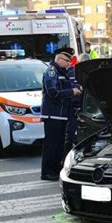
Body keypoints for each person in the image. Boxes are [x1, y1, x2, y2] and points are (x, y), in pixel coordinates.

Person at [40, 48, 82, 181]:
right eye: (67, 60)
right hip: (52, 115)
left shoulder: (62, 71)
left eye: (70, 61)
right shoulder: (52, 71)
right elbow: (53, 92)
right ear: (59, 59)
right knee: (51, 145)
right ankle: (47, 172)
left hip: (61, 115)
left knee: (58, 145)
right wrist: (71, 92)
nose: (69, 63)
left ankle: (55, 170)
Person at [64, 53, 90, 156]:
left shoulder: (90, 73)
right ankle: (66, 155)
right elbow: (69, 87)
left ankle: (85, 151)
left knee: (85, 132)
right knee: (71, 132)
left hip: (85, 107)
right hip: (74, 105)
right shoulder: (71, 71)